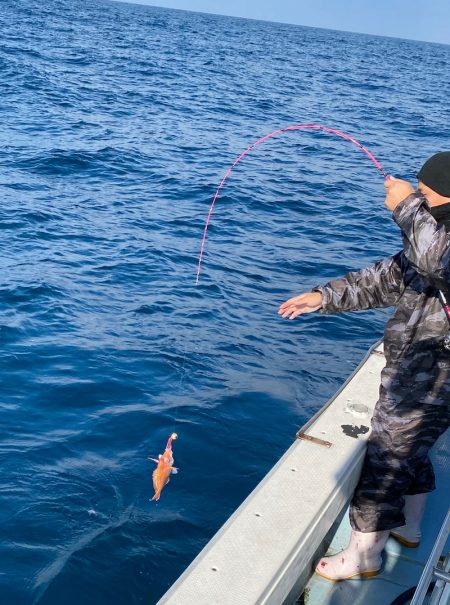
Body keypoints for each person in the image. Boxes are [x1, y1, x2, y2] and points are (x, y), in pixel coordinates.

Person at [278, 151, 450, 581]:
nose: (418, 195)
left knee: (387, 458)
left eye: (426, 191)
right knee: (414, 448)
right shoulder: (434, 233)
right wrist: (323, 296)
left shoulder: (438, 242)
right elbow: (388, 277)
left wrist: (405, 206)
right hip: (417, 373)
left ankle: (364, 556)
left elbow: (434, 260)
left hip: (435, 379)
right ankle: (409, 527)